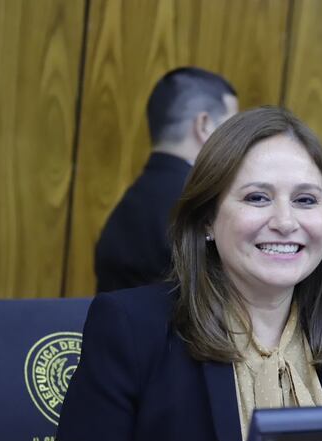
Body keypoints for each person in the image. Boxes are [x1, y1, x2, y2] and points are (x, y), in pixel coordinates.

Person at [49, 106, 322, 441]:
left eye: (305, 200)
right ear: (208, 218)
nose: (286, 223)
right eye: (257, 198)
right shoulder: (133, 330)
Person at [94, 67, 239, 292]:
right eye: (232, 129)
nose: (238, 143)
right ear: (204, 125)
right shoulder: (200, 205)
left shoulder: (133, 200)